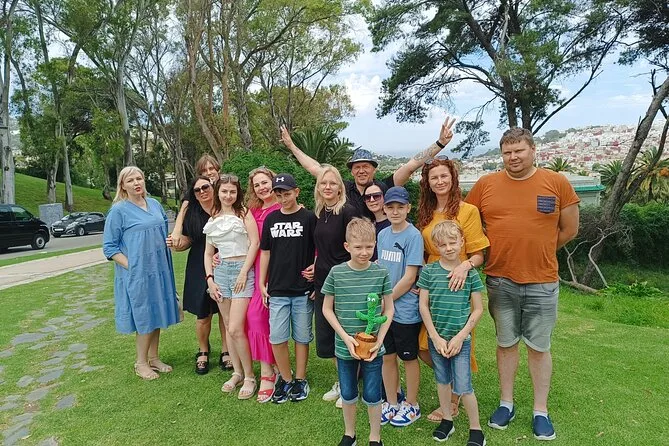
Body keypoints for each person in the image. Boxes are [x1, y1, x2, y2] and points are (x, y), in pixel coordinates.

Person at [466, 128, 580, 441]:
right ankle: (506, 404)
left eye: (519, 151)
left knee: (539, 347)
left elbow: (570, 229)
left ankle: (540, 410)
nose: (513, 157)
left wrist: (540, 250)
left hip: (542, 281)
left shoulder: (557, 182)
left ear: (533, 150)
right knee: (505, 344)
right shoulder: (486, 184)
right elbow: (468, 222)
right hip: (500, 279)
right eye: (507, 152)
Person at [416, 155, 490, 422]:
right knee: (424, 345)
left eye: (444, 176)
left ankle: (455, 399)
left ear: (453, 178)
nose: (439, 181)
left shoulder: (467, 211)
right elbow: (424, 251)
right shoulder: (426, 212)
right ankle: (450, 381)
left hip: (458, 279)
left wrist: (464, 267)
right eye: (434, 177)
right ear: (428, 182)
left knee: (457, 338)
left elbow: (479, 253)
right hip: (432, 279)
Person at [280, 117, 455, 217]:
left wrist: (439, 143)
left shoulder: (385, 186)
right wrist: (291, 146)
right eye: (357, 167)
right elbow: (315, 168)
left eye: (366, 166)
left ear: (374, 169)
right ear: (351, 171)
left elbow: (412, 165)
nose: (361, 170)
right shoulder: (343, 188)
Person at [321, 217, 394, 446]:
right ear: (347, 246)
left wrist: (380, 340)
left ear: (375, 245)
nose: (364, 252)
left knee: (373, 394)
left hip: (373, 348)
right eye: (358, 247)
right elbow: (326, 308)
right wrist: (345, 338)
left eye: (369, 247)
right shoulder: (336, 273)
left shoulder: (381, 272)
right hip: (345, 347)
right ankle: (349, 434)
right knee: (348, 393)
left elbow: (389, 308)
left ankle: (375, 437)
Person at [103, 166, 180, 380]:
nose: (136, 183)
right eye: (130, 180)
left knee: (157, 311)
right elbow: (109, 247)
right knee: (144, 315)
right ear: (122, 186)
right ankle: (141, 363)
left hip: (160, 269)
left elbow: (163, 232)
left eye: (139, 178)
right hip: (137, 275)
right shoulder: (119, 211)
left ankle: (154, 358)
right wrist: (133, 266)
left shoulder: (154, 204)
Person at [417, 221, 485, 446]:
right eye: (442, 244)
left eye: (453, 242)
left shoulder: (471, 275)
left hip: (460, 341)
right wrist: (434, 337)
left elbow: (478, 309)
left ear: (462, 242)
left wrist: (460, 337)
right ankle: (447, 420)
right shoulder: (429, 272)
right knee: (442, 381)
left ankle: (476, 430)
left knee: (464, 386)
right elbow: (423, 305)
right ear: (436, 246)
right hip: (437, 340)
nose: (448, 248)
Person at [168, 155, 232, 374]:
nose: (203, 190)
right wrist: (177, 240)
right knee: (203, 314)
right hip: (198, 264)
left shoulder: (224, 203)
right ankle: (203, 350)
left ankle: (226, 350)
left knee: (224, 310)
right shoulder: (192, 211)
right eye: (204, 172)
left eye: (212, 170)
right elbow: (186, 240)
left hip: (224, 261)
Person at [258, 173, 317, 404]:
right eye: (279, 194)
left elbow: (320, 248)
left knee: (302, 337)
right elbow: (265, 252)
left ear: (297, 192)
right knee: (277, 337)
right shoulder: (271, 219)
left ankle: (300, 379)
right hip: (278, 289)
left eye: (287, 193)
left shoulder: (309, 218)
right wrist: (262, 282)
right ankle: (286, 378)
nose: (283, 198)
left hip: (302, 289)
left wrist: (316, 269)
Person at [203, 175, 259, 399]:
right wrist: (210, 279)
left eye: (232, 192)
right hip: (221, 273)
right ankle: (237, 372)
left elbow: (255, 243)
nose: (228, 195)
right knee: (228, 326)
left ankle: (250, 376)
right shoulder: (214, 217)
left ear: (238, 193)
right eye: (224, 191)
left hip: (241, 271)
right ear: (218, 192)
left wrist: (244, 272)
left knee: (236, 327)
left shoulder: (243, 213)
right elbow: (208, 253)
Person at [375, 186, 424, 427]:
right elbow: (381, 267)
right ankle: (392, 401)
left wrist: (387, 300)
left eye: (400, 207)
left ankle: (412, 404)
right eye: (390, 207)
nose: (395, 212)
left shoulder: (413, 236)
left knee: (408, 358)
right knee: (387, 356)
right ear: (384, 208)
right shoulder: (383, 234)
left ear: (408, 208)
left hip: (405, 311)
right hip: (386, 311)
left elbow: (410, 277)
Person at [312, 165, 361, 407]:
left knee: (346, 336)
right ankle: (343, 382)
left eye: (332, 183)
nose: (328, 187)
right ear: (318, 187)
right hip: (323, 282)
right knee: (329, 337)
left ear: (340, 187)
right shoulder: (320, 211)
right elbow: (321, 248)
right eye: (323, 183)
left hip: (343, 283)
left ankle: (350, 387)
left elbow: (358, 246)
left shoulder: (347, 211)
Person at [245, 166, 281, 403]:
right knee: (255, 318)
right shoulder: (252, 211)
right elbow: (242, 239)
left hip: (279, 270)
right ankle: (270, 368)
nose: (262, 188)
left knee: (265, 319)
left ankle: (271, 371)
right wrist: (218, 255)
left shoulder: (285, 206)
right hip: (257, 269)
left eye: (265, 182)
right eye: (256, 185)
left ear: (273, 181)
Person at [362, 183, 390, 262]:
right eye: (367, 197)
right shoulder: (366, 226)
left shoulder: (395, 224)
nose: (372, 200)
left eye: (376, 196)